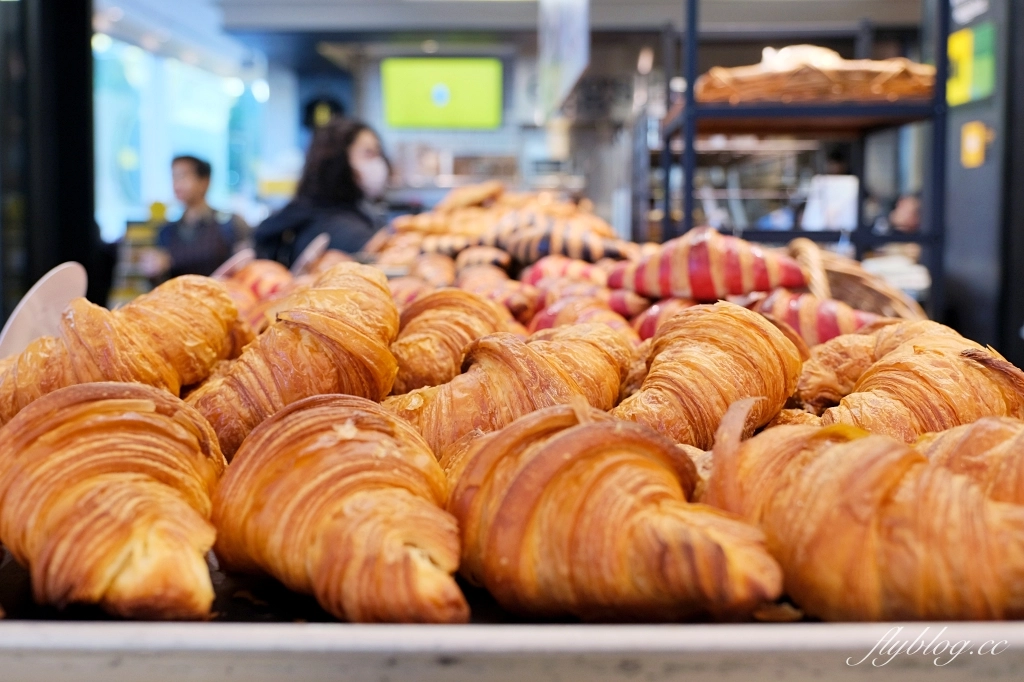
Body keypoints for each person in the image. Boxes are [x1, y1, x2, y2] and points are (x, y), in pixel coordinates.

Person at [254, 118, 390, 266]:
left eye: (378, 153)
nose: (379, 163)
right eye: (369, 153)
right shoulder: (343, 229)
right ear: (339, 160)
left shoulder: (304, 211)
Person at [151, 155, 250, 279]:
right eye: (174, 177)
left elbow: (245, 263)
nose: (177, 184)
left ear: (205, 181)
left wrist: (173, 261)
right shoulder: (167, 231)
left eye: (183, 176)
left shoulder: (230, 224)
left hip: (222, 290)